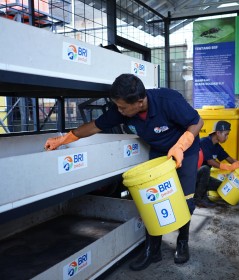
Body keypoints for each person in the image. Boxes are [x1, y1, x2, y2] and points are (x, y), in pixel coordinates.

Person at [44, 73, 204, 271]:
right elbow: (94, 126)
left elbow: (197, 122)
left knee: (185, 200)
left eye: (122, 107)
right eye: (117, 106)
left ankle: (182, 242)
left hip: (184, 150)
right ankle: (152, 251)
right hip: (159, 152)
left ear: (139, 102)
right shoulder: (121, 110)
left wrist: (180, 146)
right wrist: (62, 140)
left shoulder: (168, 100)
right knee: (151, 200)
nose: (119, 110)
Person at [195, 120, 239, 207]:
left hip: (202, 178)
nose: (227, 137)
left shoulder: (217, 147)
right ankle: (198, 199)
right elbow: (210, 161)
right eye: (226, 134)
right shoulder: (204, 142)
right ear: (218, 133)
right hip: (194, 176)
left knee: (221, 186)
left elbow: (229, 158)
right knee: (205, 168)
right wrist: (227, 167)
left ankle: (201, 195)